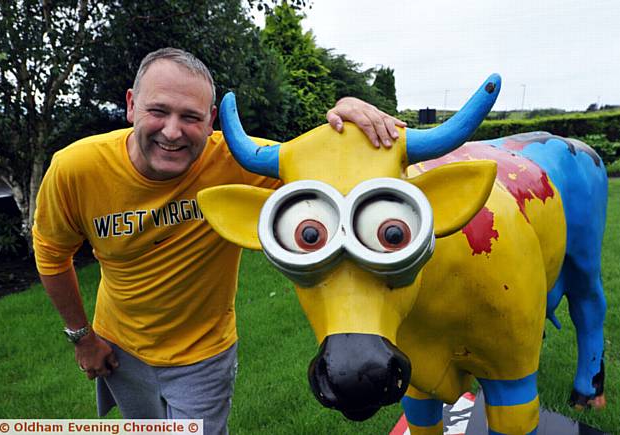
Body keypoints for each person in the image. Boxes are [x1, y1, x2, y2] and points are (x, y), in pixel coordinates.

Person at [33, 47, 404, 434]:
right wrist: (83, 338)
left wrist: (345, 113)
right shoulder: (76, 169)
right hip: (121, 350)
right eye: (158, 111)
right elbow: (52, 255)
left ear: (211, 120)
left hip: (203, 355)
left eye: (190, 116)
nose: (172, 131)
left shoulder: (236, 161)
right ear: (131, 105)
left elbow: (336, 173)